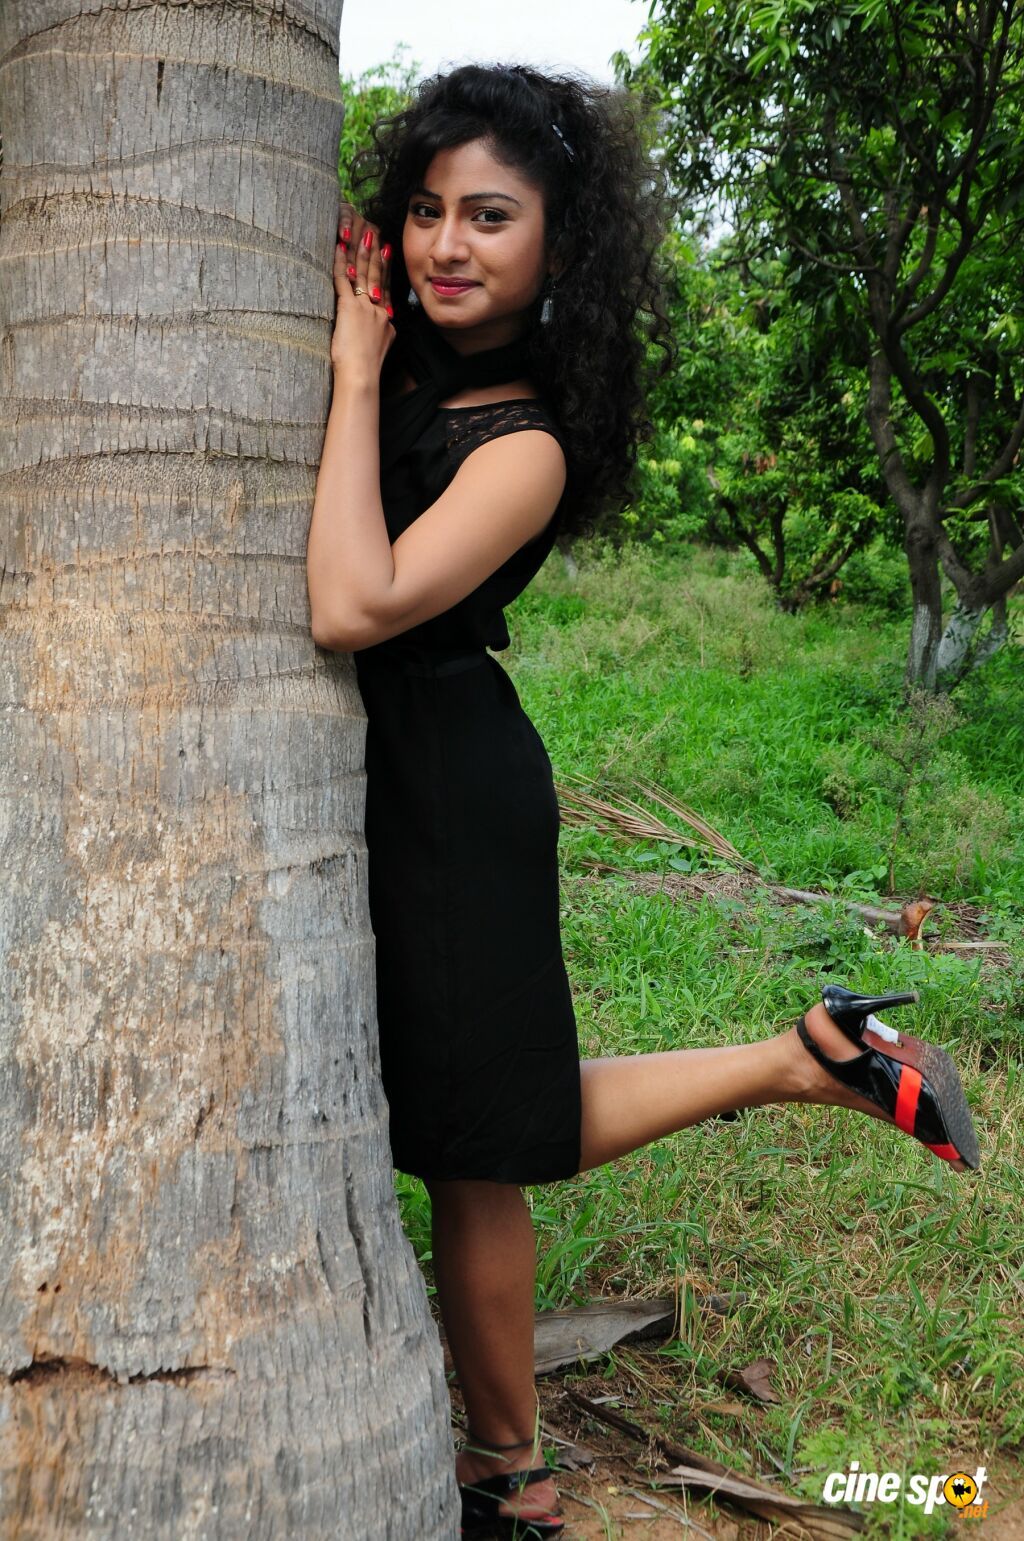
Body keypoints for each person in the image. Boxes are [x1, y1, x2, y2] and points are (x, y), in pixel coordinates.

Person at [306, 63, 980, 1540]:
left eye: (491, 215)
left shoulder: (522, 444)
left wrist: (353, 374)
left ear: (562, 245)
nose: (446, 245)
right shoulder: (407, 355)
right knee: (485, 1113)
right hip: (381, 778)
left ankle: (514, 1477)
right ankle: (808, 1057)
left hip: (447, 795)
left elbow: (353, 603)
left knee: (481, 1149)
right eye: (425, 210)